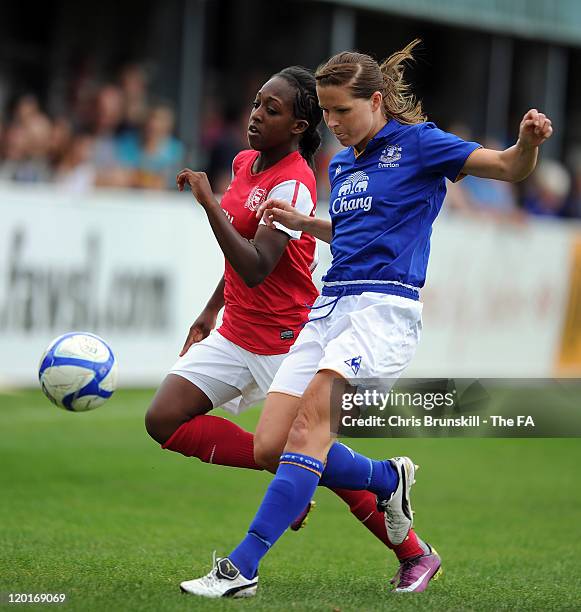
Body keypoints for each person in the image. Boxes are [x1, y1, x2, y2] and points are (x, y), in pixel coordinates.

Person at [180, 41, 553, 598]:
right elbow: (353, 230)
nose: (332, 124)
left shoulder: (420, 145)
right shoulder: (347, 162)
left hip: (381, 312)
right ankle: (386, 478)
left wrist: (526, 143)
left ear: (376, 101)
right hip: (328, 309)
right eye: (326, 114)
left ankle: (241, 568)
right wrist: (307, 223)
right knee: (268, 446)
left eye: (342, 112)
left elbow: (506, 167)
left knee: (310, 430)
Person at [145, 65, 433, 590]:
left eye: (271, 110)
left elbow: (258, 264)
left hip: (285, 334)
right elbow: (240, 255)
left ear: (300, 125)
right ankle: (300, 477)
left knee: (307, 449)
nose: (255, 116)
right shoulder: (244, 163)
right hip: (237, 328)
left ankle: (414, 550)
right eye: (256, 103)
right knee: (164, 418)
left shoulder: (298, 184)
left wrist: (209, 203)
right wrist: (212, 309)